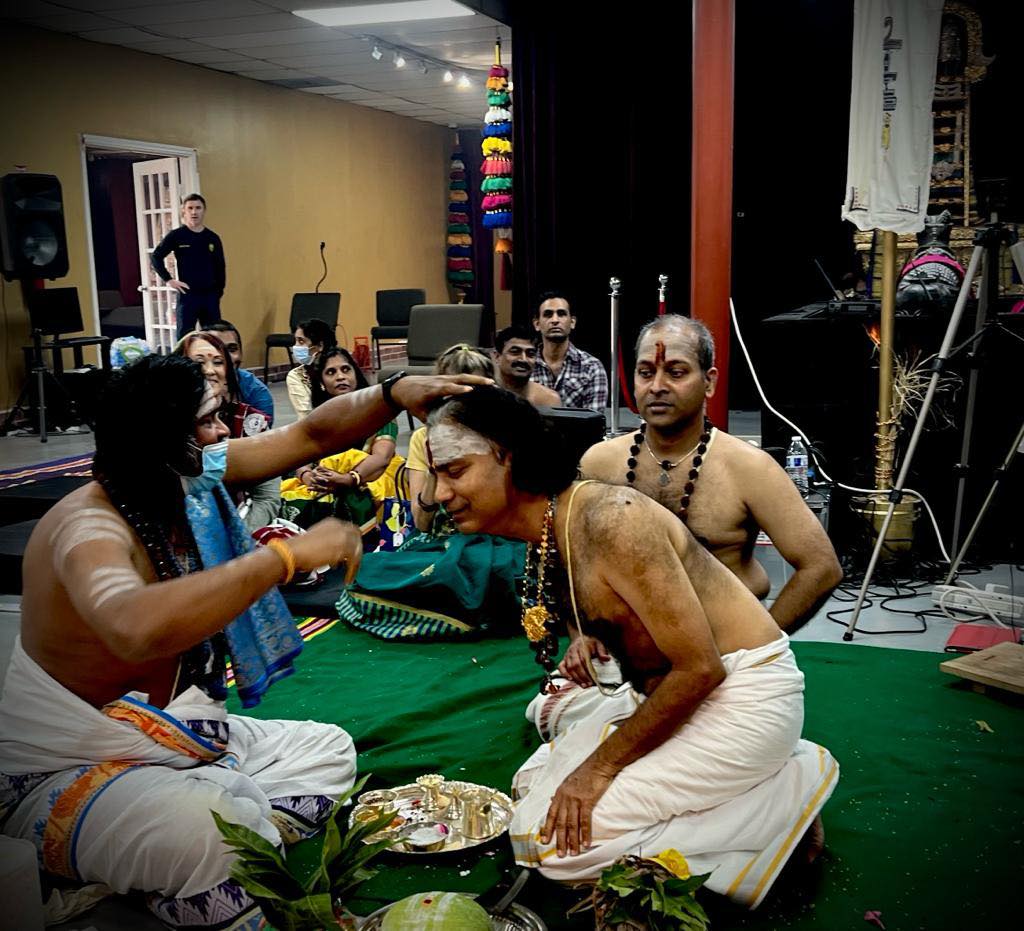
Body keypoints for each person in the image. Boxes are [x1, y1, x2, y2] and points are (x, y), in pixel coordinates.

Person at [0, 358, 482, 928]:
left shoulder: (179, 475)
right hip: (62, 769)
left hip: (173, 742)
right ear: (164, 440)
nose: (223, 432)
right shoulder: (88, 528)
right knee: (208, 832)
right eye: (207, 421)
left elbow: (310, 436)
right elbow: (131, 627)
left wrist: (395, 391)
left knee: (327, 750)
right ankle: (195, 841)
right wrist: (284, 557)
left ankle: (197, 839)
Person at [425, 387, 837, 907]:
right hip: (665, 695)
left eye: (455, 471)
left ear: (510, 458)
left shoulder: (612, 518)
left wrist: (597, 771)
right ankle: (739, 793)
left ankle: (782, 801)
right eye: (437, 474)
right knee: (531, 775)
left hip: (741, 699)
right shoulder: (552, 525)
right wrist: (587, 642)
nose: (438, 494)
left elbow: (701, 670)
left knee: (548, 846)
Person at [581, 314, 842, 631]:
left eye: (676, 372)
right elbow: (573, 561)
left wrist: (760, 642)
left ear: (710, 382)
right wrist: (582, 635)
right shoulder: (599, 463)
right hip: (628, 643)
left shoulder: (750, 469)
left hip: (727, 639)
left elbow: (822, 567)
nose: (657, 386)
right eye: (645, 373)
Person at [336, 349, 523, 641]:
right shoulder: (424, 438)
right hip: (440, 545)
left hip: (498, 545)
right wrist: (437, 466)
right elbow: (422, 523)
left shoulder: (508, 434)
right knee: (369, 572)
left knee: (487, 571)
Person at [280, 347, 402, 539]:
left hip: (368, 478)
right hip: (325, 480)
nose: (340, 377)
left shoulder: (379, 414)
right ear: (322, 383)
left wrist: (348, 479)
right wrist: (307, 476)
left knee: (354, 499)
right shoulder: (316, 419)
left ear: (356, 375)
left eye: (346, 370)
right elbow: (301, 457)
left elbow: (381, 458)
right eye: (331, 372)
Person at [177, 332, 278, 531]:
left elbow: (267, 498)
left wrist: (237, 538)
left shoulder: (251, 422)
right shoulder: (167, 424)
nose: (210, 371)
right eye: (199, 363)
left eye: (218, 362)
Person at [151, 193, 226, 340]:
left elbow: (220, 267)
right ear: (184, 212)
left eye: (198, 208)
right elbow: (156, 257)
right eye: (190, 208)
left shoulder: (213, 238)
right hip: (187, 295)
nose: (194, 212)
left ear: (204, 211)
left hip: (210, 296)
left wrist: (218, 292)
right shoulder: (177, 236)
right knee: (184, 339)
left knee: (213, 338)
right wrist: (169, 280)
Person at [530, 290, 608, 412]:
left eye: (561, 314)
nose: (555, 320)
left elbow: (593, 420)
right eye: (548, 314)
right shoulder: (526, 364)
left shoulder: (592, 367)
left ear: (572, 322)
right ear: (537, 324)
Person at [205, 319, 274, 423]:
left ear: (241, 353)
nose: (226, 357)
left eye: (232, 349)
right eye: (216, 349)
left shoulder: (256, 391)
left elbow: (262, 432)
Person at [492, 324, 561, 407]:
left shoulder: (548, 400)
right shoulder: (484, 394)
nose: (523, 359)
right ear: (497, 356)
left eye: (530, 354)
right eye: (515, 352)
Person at [286, 318, 336, 418]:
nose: (295, 346)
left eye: (301, 341)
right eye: (296, 341)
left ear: (320, 345)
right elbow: (306, 416)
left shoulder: (343, 367)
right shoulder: (297, 376)